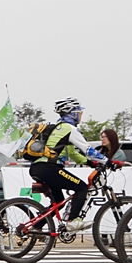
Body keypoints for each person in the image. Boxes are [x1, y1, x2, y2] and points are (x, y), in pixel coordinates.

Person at [28, 98, 106, 231]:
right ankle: (72, 221)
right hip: (49, 168)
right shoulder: (69, 128)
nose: (80, 114)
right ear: (72, 113)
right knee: (81, 187)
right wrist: (107, 161)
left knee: (59, 202)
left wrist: (90, 163)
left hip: (39, 167)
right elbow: (88, 150)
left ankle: (35, 227)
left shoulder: (58, 128)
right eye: (79, 111)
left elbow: (73, 153)